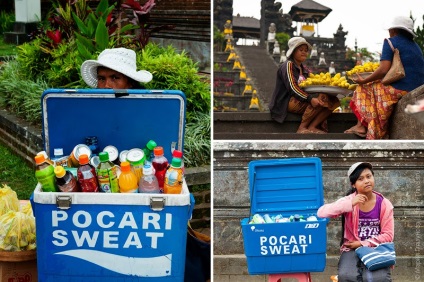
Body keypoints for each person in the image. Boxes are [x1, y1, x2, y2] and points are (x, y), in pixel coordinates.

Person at [345, 16, 424, 139]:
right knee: (374, 86)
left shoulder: (390, 41)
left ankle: (360, 125)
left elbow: (383, 70)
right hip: (416, 87)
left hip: (400, 89)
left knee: (363, 88)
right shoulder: (415, 46)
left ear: (394, 30)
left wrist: (364, 80)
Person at [317, 162, 394, 282]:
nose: (367, 181)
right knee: (347, 276)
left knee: (380, 278)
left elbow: (388, 235)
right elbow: (321, 213)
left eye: (369, 176)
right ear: (353, 184)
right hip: (351, 249)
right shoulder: (349, 201)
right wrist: (350, 204)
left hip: (376, 247)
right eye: (361, 179)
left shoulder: (384, 204)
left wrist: (362, 243)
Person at [269, 37, 340, 134]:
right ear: (293, 51)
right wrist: (310, 99)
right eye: (301, 50)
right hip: (287, 101)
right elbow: (292, 87)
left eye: (306, 50)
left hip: (300, 99)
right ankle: (302, 127)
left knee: (333, 101)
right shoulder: (288, 65)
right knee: (320, 99)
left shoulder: (304, 68)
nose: (304, 52)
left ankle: (312, 127)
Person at [80, 48, 153, 89]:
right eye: (101, 79)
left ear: (130, 82)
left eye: (115, 78)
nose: (106, 86)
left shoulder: (143, 109)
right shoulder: (90, 109)